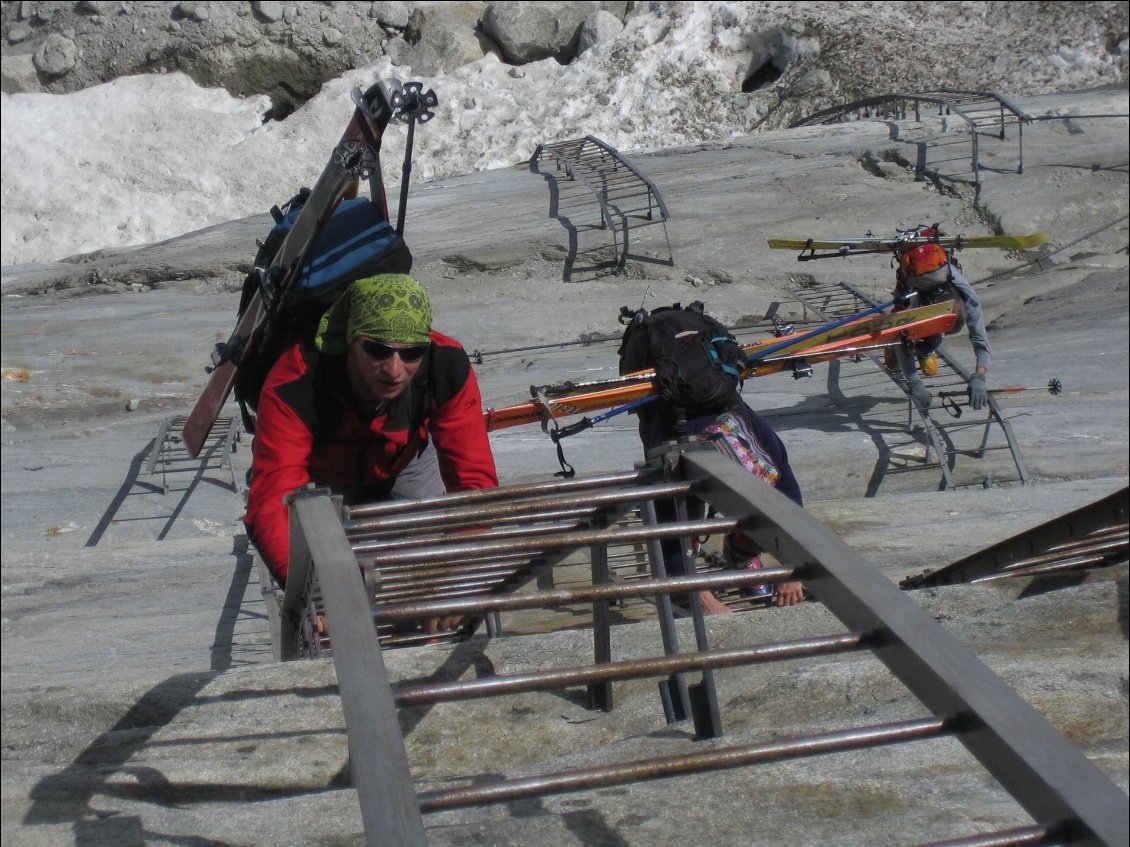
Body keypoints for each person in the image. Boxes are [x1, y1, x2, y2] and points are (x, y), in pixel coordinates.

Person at [243, 273, 499, 633]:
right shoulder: (297, 380)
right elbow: (273, 500)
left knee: (421, 571)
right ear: (350, 340)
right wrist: (313, 593)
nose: (394, 370)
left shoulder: (446, 364)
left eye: (411, 354)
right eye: (377, 349)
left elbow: (473, 480)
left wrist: (458, 573)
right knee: (338, 577)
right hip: (320, 476)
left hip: (405, 461)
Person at [618, 303, 807, 614]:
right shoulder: (670, 452)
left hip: (719, 402)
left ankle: (742, 551)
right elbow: (667, 528)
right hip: (670, 415)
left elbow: (790, 502)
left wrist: (794, 563)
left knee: (767, 500)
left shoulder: (765, 449)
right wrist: (700, 596)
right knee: (683, 511)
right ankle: (687, 581)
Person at [885, 230, 991, 413]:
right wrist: (914, 382)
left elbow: (981, 342)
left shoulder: (969, 300)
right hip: (913, 279)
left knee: (930, 363)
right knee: (895, 354)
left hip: (930, 287)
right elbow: (902, 336)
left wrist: (980, 377)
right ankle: (907, 350)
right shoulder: (913, 301)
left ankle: (925, 349)